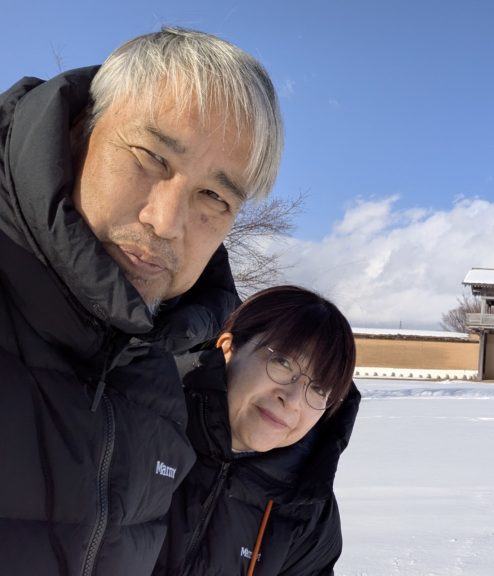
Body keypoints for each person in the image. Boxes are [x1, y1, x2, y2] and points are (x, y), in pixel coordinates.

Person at [0, 27, 283, 574]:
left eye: (213, 196)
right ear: (81, 130)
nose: (166, 222)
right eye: (151, 157)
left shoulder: (162, 376)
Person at [156, 285, 360, 575]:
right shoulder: (140, 431)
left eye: (318, 389)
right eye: (282, 362)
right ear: (228, 348)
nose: (292, 401)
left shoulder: (307, 509)